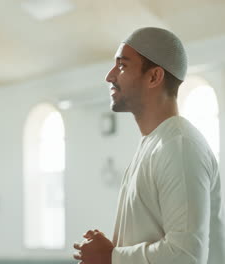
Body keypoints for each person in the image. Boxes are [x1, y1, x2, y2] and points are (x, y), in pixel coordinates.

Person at [73, 27, 225, 264]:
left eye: (122, 66)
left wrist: (111, 257)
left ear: (154, 77)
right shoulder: (153, 144)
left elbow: (186, 257)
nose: (109, 76)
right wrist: (112, 250)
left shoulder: (179, 146)